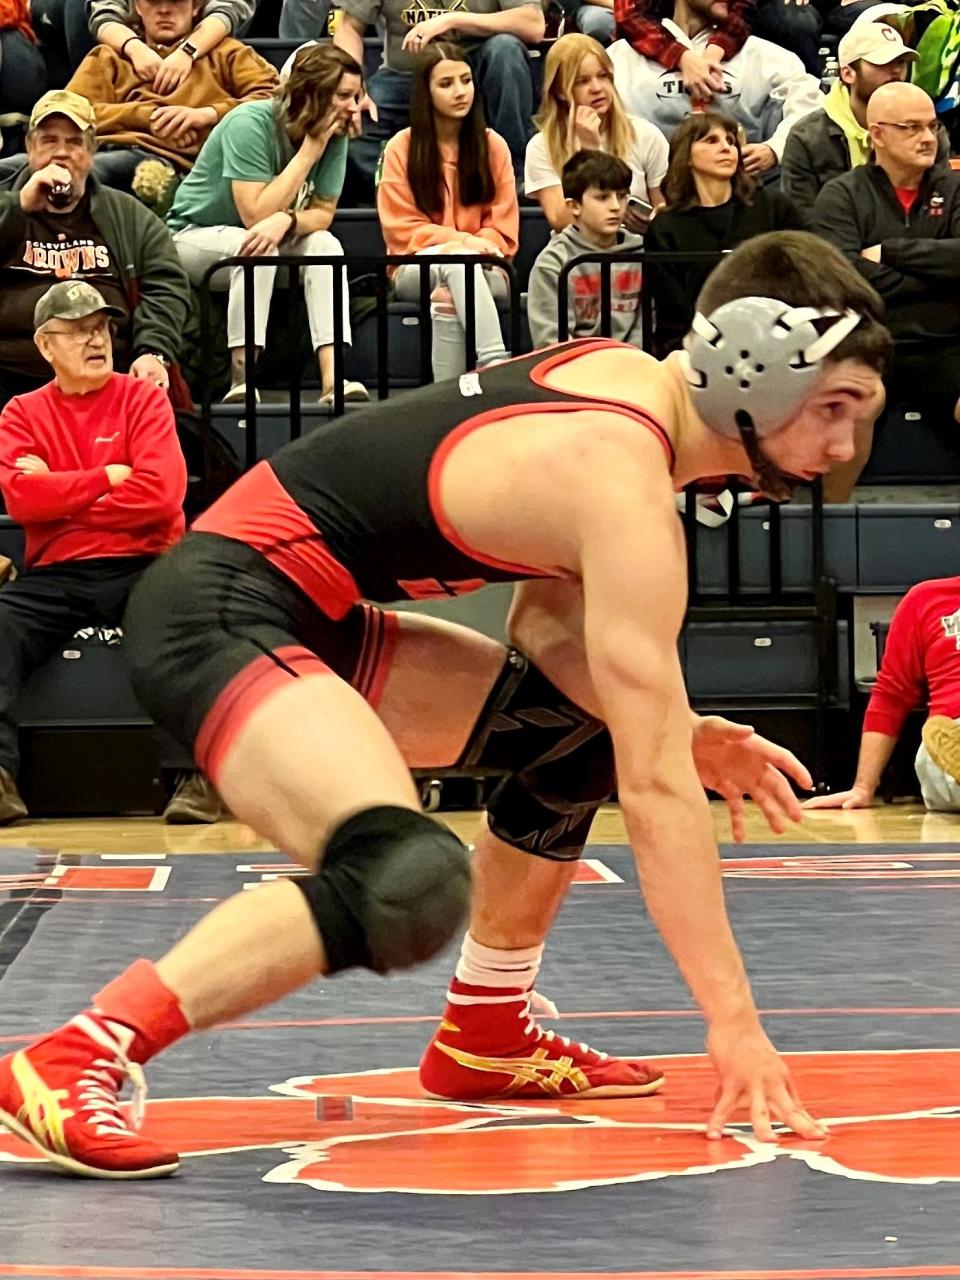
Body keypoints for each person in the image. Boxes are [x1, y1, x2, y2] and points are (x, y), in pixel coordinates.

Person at [0, 230, 893, 1178]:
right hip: (219, 612)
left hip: (305, 607)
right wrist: (735, 1027)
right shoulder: (620, 476)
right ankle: (78, 1053)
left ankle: (487, 1031)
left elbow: (550, 633)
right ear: (748, 363)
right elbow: (660, 795)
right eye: (832, 407)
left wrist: (679, 729)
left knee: (569, 735)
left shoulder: (627, 387)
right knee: (402, 879)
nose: (842, 449)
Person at [0, 280, 224, 827]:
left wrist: (61, 492)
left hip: (144, 559)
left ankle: (199, 779)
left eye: (100, 328)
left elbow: (159, 496)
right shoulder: (21, 412)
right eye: (77, 332)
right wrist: (104, 477)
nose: (95, 340)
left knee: (180, 620)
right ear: (46, 346)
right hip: (56, 571)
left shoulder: (144, 397)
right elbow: (21, 500)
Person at [167, 43, 369, 406]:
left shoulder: (334, 135)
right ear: (312, 94)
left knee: (326, 246)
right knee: (258, 245)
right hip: (193, 235)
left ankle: (333, 378)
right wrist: (309, 152)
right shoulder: (249, 122)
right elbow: (254, 215)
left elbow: (322, 214)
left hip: (269, 236)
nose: (354, 108)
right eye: (344, 96)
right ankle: (241, 380)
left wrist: (288, 219)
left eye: (356, 96)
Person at [0, 91, 190, 408]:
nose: (61, 153)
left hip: (107, 379)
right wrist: (19, 207)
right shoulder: (8, 203)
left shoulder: (130, 217)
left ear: (92, 152)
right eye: (49, 141)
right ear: (30, 148)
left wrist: (153, 351)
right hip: (12, 378)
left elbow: (167, 286)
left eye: (74, 143)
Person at [812, 81, 960, 431]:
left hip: (947, 343)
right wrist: (938, 278)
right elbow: (844, 277)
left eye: (932, 126)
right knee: (851, 411)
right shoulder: (841, 195)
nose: (927, 137)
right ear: (877, 134)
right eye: (911, 127)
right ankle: (833, 490)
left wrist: (891, 252)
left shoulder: (953, 188)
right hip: (866, 341)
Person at [377, 43, 518, 382]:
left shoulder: (493, 145)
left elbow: (504, 229)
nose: (460, 92)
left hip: (489, 269)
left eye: (466, 80)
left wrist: (474, 247)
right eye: (446, 84)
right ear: (425, 93)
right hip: (415, 269)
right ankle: (494, 360)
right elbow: (402, 230)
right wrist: (462, 242)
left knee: (448, 295)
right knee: (455, 262)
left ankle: (448, 399)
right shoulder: (401, 147)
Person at [63, 0, 277, 204]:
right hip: (98, 147)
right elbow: (66, 112)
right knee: (35, 166)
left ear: (195, 7)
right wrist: (147, 117)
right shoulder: (108, 56)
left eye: (176, 1)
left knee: (76, 173)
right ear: (137, 6)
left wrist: (206, 115)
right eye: (153, 2)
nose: (164, 10)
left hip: (161, 162)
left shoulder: (227, 53)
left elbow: (273, 97)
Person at [332, 0, 545, 200]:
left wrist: (453, 20)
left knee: (506, 51)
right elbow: (348, 27)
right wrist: (352, 89)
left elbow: (533, 24)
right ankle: (412, 191)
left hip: (477, 72)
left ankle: (513, 175)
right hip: (407, 77)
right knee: (352, 118)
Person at [643, 113, 804, 357]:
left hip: (775, 343)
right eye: (711, 141)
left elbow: (804, 274)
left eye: (730, 141)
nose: (726, 148)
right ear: (686, 155)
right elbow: (672, 311)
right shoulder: (667, 226)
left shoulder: (773, 207)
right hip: (696, 349)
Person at [608, 0, 822, 182]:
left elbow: (813, 109)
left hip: (747, 198)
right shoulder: (620, 59)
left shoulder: (765, 56)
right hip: (653, 197)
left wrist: (775, 149)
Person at [803, 576, 960, 814]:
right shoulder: (924, 599)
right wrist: (862, 787)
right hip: (950, 735)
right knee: (942, 743)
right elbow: (891, 695)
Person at [781, 20, 948, 213]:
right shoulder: (806, 138)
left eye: (901, 62)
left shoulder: (930, 131)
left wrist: (891, 245)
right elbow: (800, 222)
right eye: (882, 63)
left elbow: (940, 213)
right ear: (847, 73)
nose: (896, 70)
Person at [524, 33, 667, 233]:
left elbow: (662, 209)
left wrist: (659, 217)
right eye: (582, 81)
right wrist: (589, 153)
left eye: (603, 76)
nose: (597, 88)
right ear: (560, 91)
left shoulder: (645, 134)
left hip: (637, 250)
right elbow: (561, 220)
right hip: (577, 255)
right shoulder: (542, 146)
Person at [527, 149, 643, 347]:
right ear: (574, 206)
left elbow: (646, 327)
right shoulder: (553, 262)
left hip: (632, 366)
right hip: (573, 370)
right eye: (602, 197)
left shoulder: (641, 254)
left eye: (622, 196)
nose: (616, 206)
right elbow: (552, 341)